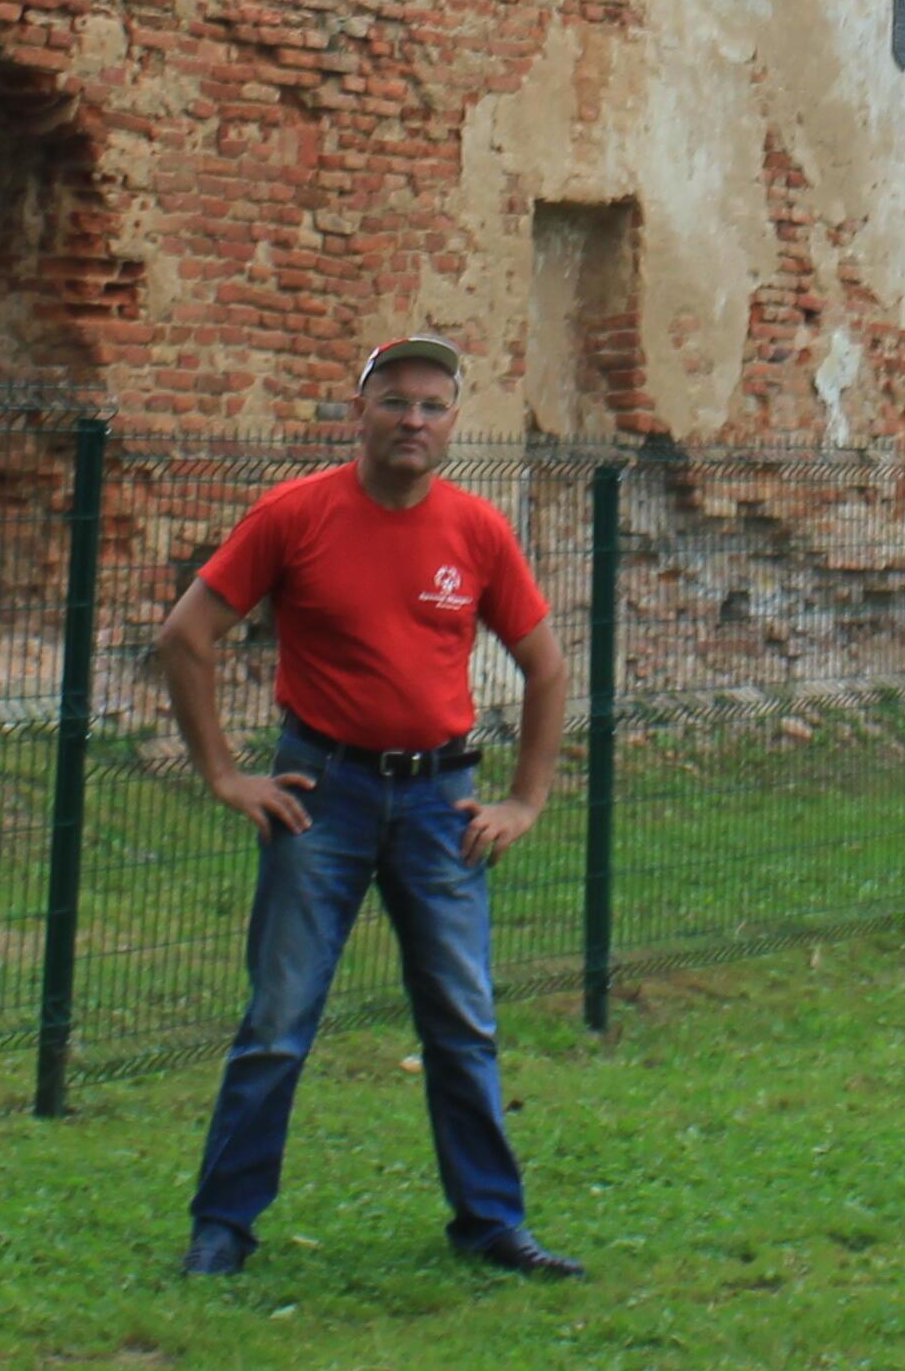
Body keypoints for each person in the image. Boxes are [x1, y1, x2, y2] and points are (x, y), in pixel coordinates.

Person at [149, 333, 582, 1281]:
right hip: (323, 799)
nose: (413, 421)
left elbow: (546, 667)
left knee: (463, 1023)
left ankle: (491, 1224)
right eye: (394, 402)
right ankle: (223, 1227)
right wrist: (226, 774)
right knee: (278, 1020)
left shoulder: (476, 531)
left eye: (432, 406)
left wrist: (523, 801)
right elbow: (188, 635)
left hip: (440, 806)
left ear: (453, 423)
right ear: (360, 412)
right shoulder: (296, 516)